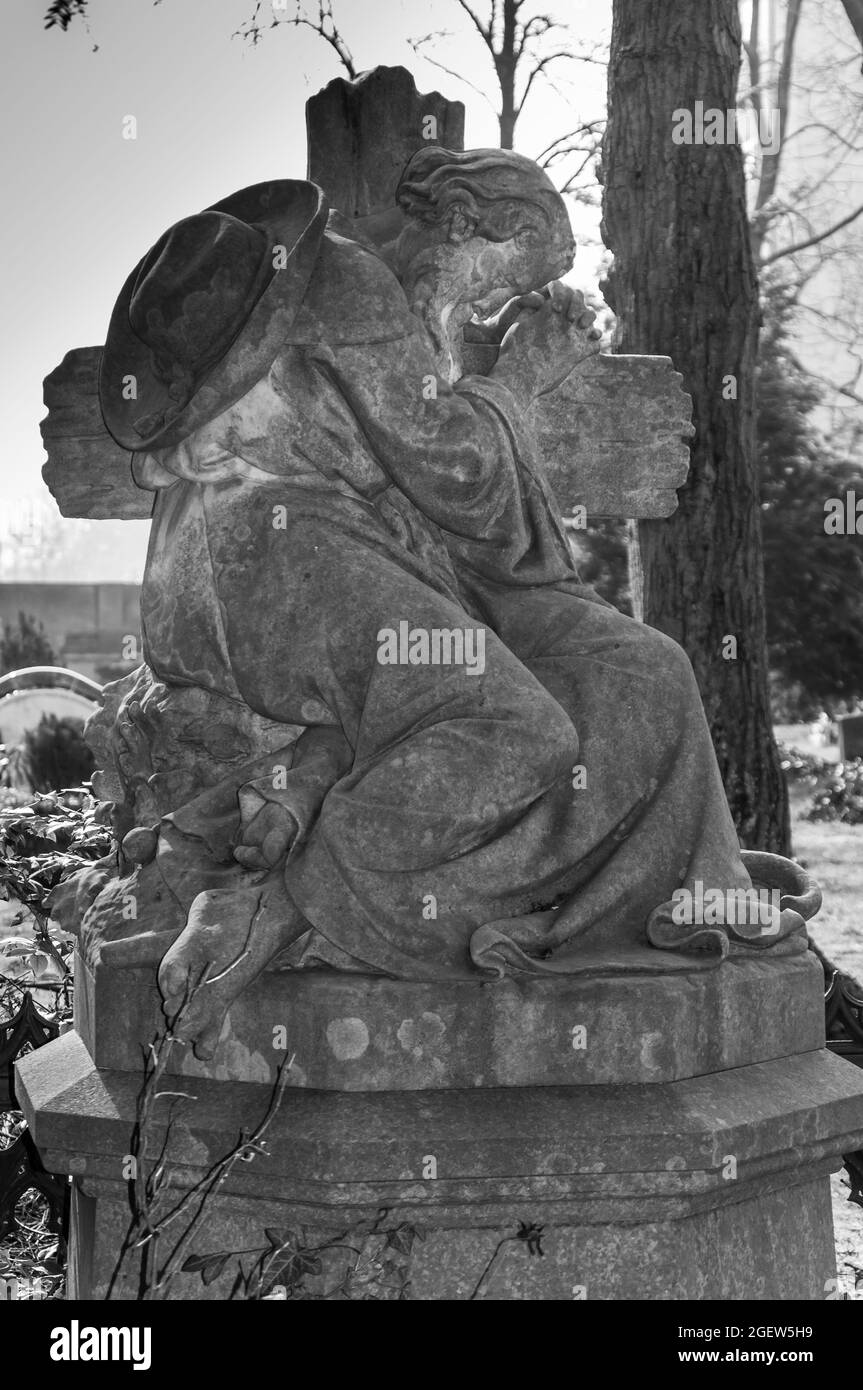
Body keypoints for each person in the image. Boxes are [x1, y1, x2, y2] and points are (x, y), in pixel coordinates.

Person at [86, 152, 808, 1057]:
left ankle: (607, 887)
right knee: (515, 721)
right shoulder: (350, 285)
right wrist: (523, 374)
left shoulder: (372, 288)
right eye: (505, 280)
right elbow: (456, 470)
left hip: (358, 556)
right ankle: (287, 903)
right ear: (470, 225)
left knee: (643, 671)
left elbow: (430, 474)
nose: (493, 306)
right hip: (269, 566)